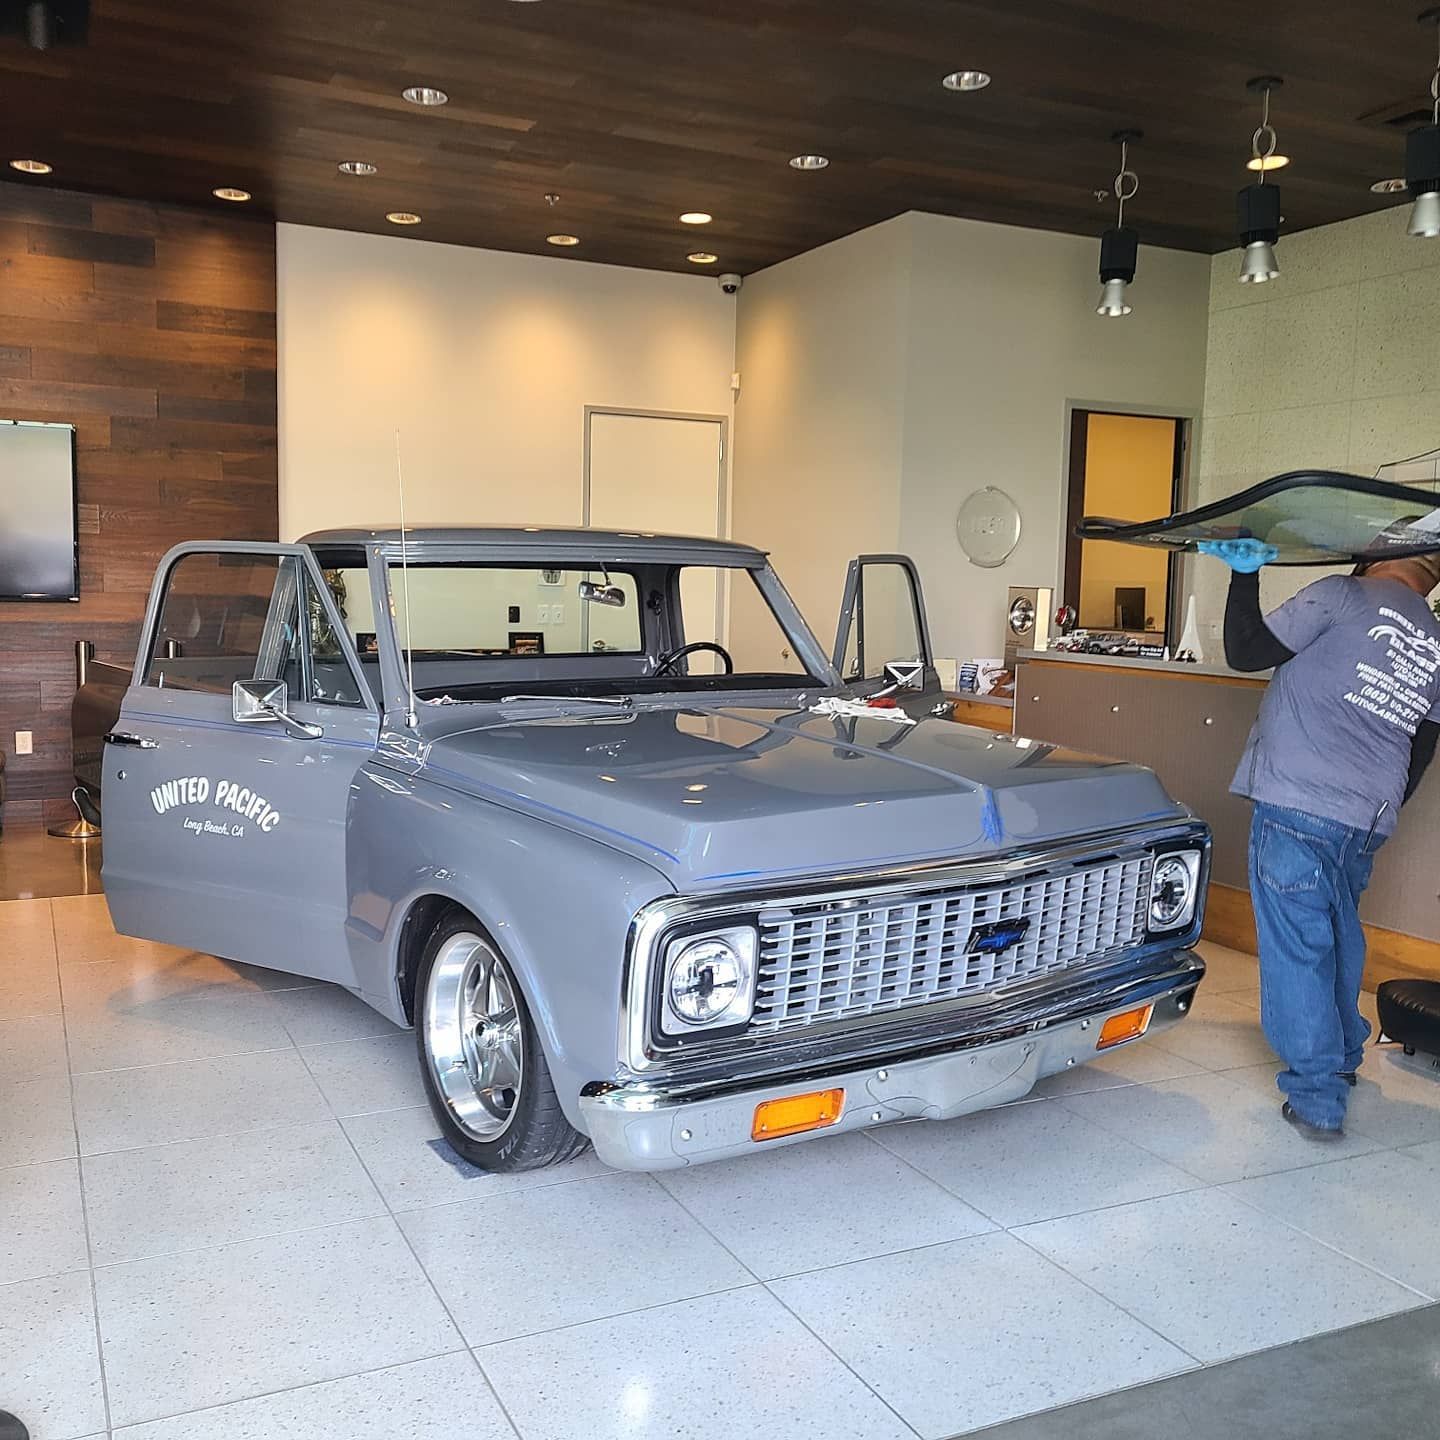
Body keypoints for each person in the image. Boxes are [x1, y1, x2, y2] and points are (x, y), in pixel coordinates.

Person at [1199, 535, 1440, 1140]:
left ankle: (1317, 1094)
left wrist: (1245, 576)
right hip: (1366, 818)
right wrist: (1375, 803)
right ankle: (1343, 1057)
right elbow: (1425, 744)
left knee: (1299, 948)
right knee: (1337, 936)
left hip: (1297, 803)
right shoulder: (1436, 640)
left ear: (1379, 555)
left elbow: (1246, 651)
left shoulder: (1341, 596)